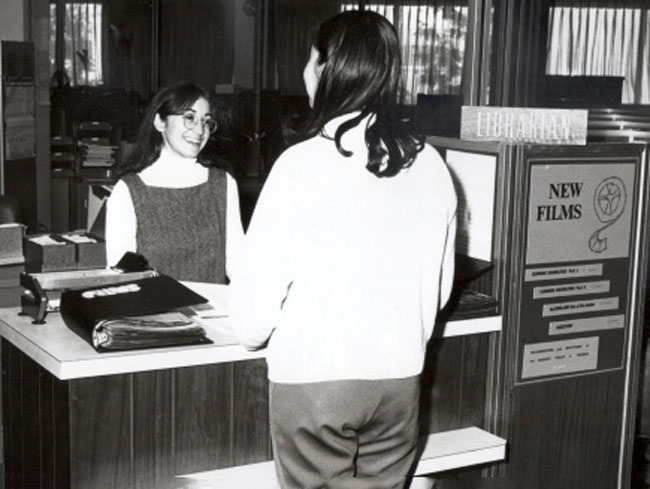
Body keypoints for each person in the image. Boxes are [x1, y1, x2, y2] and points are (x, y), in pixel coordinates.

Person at [230, 10, 457, 489]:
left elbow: (252, 317)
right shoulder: (432, 164)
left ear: (327, 68)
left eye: (311, 61)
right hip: (398, 383)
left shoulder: (299, 165)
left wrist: (252, 331)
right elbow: (438, 292)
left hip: (315, 385)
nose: (306, 72)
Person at [105, 81, 243, 283]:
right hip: (152, 312)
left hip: (213, 311)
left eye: (206, 121)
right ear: (160, 122)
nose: (200, 130)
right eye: (189, 118)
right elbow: (120, 276)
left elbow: (239, 264)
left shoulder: (223, 183)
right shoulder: (128, 190)